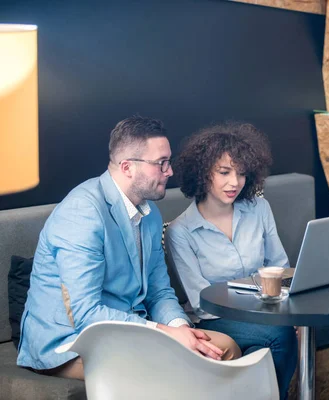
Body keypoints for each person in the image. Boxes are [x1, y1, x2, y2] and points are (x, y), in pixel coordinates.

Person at [17, 116, 241, 380]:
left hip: (129, 330)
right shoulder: (81, 213)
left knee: (224, 347)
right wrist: (165, 333)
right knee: (172, 366)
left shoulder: (151, 215)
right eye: (161, 164)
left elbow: (159, 292)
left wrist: (181, 328)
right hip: (70, 341)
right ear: (127, 167)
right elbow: (87, 312)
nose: (169, 171)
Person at [165, 122, 297, 399]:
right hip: (214, 319)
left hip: (265, 312)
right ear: (202, 174)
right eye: (224, 172)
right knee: (279, 337)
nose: (234, 182)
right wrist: (262, 307)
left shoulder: (259, 208)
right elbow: (202, 302)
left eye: (241, 173)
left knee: (259, 350)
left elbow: (279, 266)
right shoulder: (181, 231)